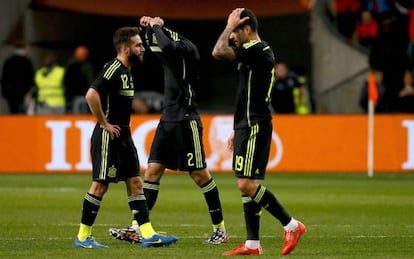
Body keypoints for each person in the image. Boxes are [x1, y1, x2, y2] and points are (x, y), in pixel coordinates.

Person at [109, 16, 228, 245]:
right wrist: (145, 29)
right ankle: (137, 227)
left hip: (186, 120)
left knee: (200, 174)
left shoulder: (185, 50)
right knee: (152, 172)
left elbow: (165, 45)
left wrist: (155, 25)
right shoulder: (173, 49)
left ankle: (220, 229)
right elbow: (151, 45)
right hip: (167, 120)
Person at [212, 8, 306, 256]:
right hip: (245, 124)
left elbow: (218, 51)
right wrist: (235, 127)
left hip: (256, 123)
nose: (231, 36)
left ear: (246, 29)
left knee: (246, 183)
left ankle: (292, 225)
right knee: (246, 183)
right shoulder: (251, 54)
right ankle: (252, 244)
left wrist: (226, 26)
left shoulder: (258, 50)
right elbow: (245, 92)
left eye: (235, 31)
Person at [74, 26, 178, 249]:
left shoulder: (127, 70)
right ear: (125, 48)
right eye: (138, 45)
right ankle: (83, 237)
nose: (142, 49)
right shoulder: (113, 68)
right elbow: (91, 94)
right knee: (100, 185)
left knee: (136, 183)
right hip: (109, 136)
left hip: (124, 135)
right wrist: (103, 123)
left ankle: (148, 234)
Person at [1, 40, 35, 114]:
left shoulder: (9, 61)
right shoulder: (27, 62)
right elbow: (31, 78)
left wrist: (4, 93)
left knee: (13, 113)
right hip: (23, 93)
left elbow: (4, 78)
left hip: (11, 93)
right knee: (21, 114)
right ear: (25, 48)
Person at [64, 45, 94, 114]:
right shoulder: (86, 66)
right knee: (84, 116)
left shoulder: (69, 65)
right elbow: (90, 81)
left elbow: (66, 80)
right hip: (83, 95)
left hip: (73, 96)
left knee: (76, 115)